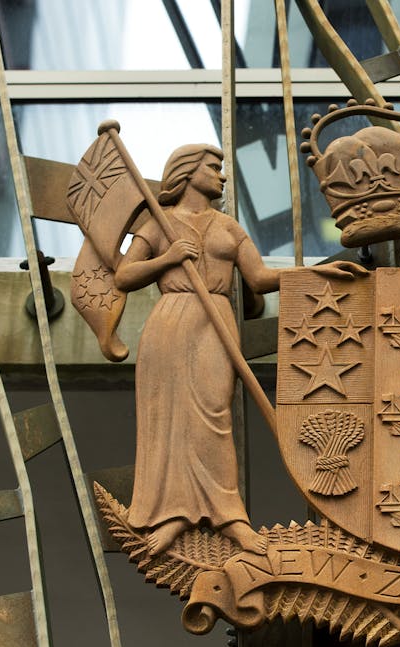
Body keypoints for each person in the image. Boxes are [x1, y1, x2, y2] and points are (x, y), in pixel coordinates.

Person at [115, 144, 364, 556]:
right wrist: (168, 258)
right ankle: (172, 514)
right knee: (168, 417)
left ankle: (230, 517)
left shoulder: (227, 227)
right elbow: (124, 276)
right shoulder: (159, 224)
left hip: (215, 319)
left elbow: (260, 278)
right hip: (170, 323)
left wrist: (317, 272)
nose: (222, 175)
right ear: (188, 172)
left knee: (215, 414)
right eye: (213, 168)